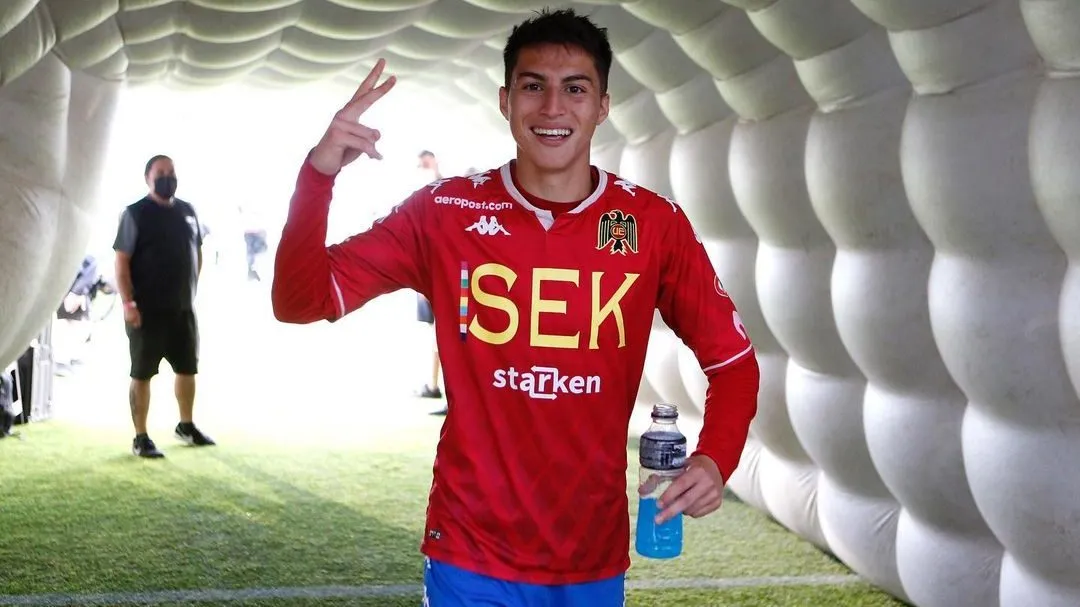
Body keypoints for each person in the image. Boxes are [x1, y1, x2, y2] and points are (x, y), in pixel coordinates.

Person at [272, 8, 759, 606]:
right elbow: (301, 300)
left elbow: (733, 364)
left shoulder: (652, 224)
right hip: (469, 554)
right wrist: (319, 173)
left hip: (591, 557)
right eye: (533, 86)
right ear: (505, 101)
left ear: (602, 106)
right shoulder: (443, 212)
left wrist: (715, 460)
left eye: (575, 89)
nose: (553, 107)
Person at [113, 154, 215, 459]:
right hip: (146, 311)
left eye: (171, 172)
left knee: (187, 368)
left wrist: (190, 289)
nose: (167, 177)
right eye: (160, 172)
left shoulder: (188, 211)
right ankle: (140, 437)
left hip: (182, 309)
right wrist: (128, 303)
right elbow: (121, 262)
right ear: (148, 178)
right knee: (142, 373)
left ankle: (186, 426)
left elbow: (196, 252)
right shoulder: (135, 214)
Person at [415, 150, 445, 408]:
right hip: (429, 279)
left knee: (445, 338)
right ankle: (434, 386)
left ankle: (441, 390)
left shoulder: (442, 196)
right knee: (436, 337)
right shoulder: (422, 201)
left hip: (441, 281)